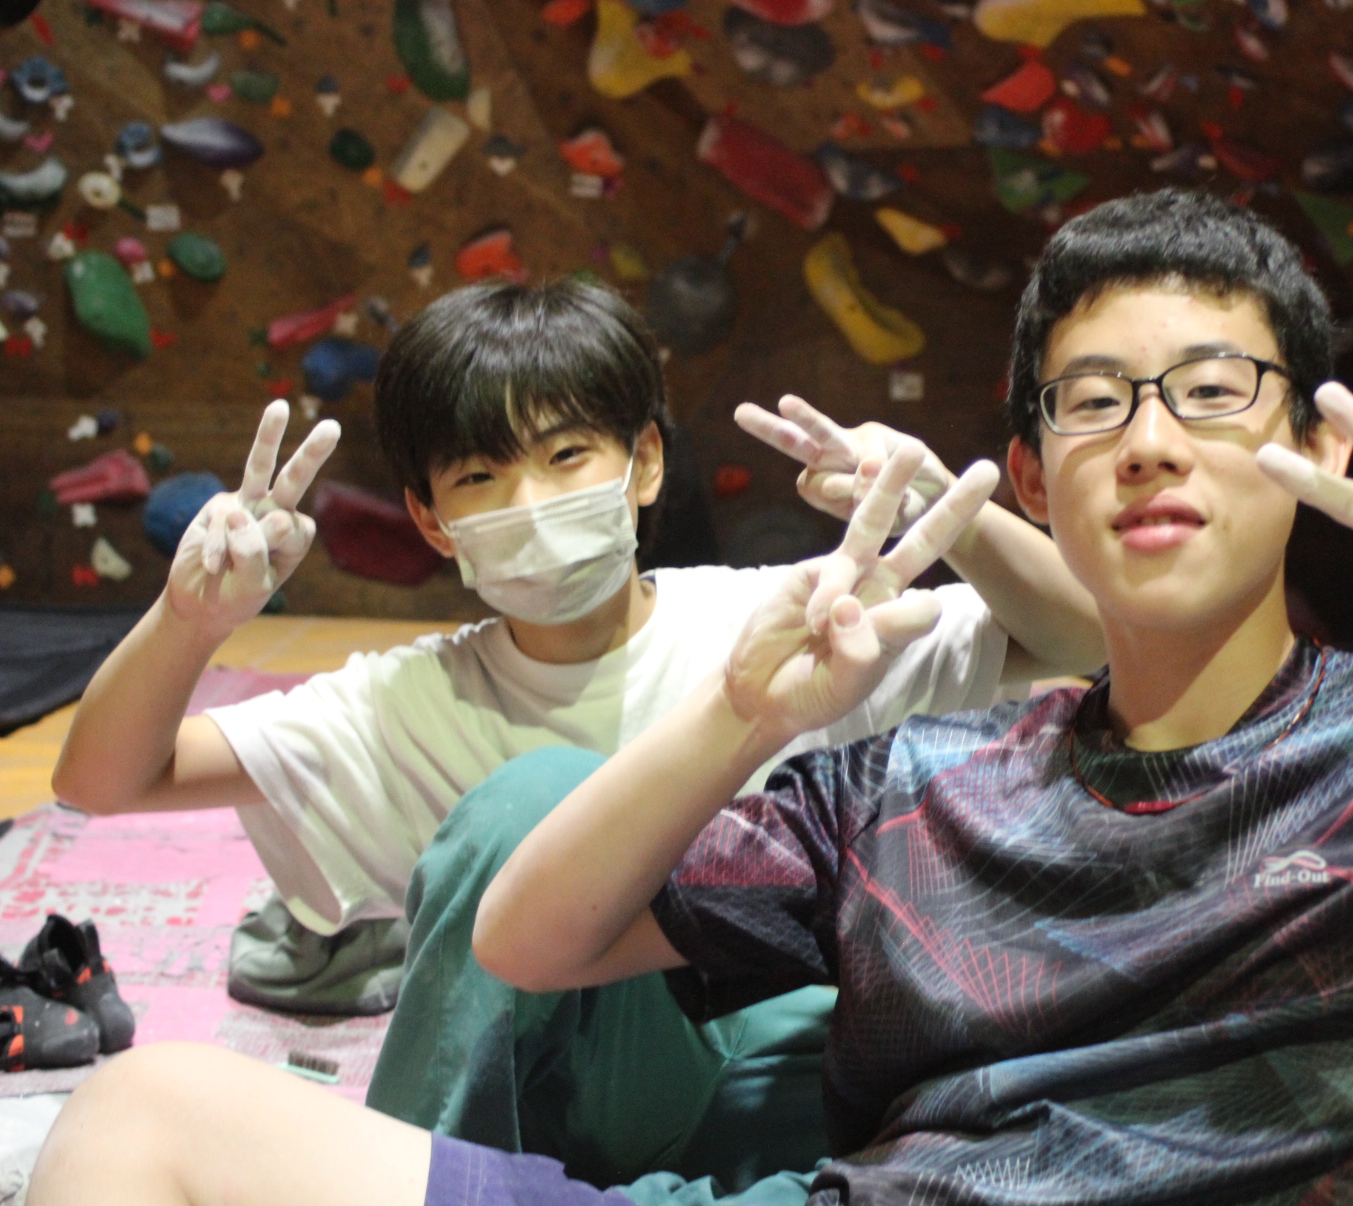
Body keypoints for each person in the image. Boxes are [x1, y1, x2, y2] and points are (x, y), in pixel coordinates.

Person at [30, 189, 1353, 1206]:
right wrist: (742, 717)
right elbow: (523, 945)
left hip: (766, 1076)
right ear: (1031, 472)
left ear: (1317, 448)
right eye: (1095, 402)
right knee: (145, 1112)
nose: (1152, 439)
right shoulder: (905, 773)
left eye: (1214, 392)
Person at [45, 279, 1101, 1190]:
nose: (533, 501)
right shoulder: (406, 701)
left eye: (565, 455)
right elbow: (103, 780)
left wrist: (939, 500)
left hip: (789, 1086)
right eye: (480, 477)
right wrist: (188, 621)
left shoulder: (783, 623)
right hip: (565, 1100)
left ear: (644, 464)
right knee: (532, 802)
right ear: (431, 520)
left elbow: (1089, 636)